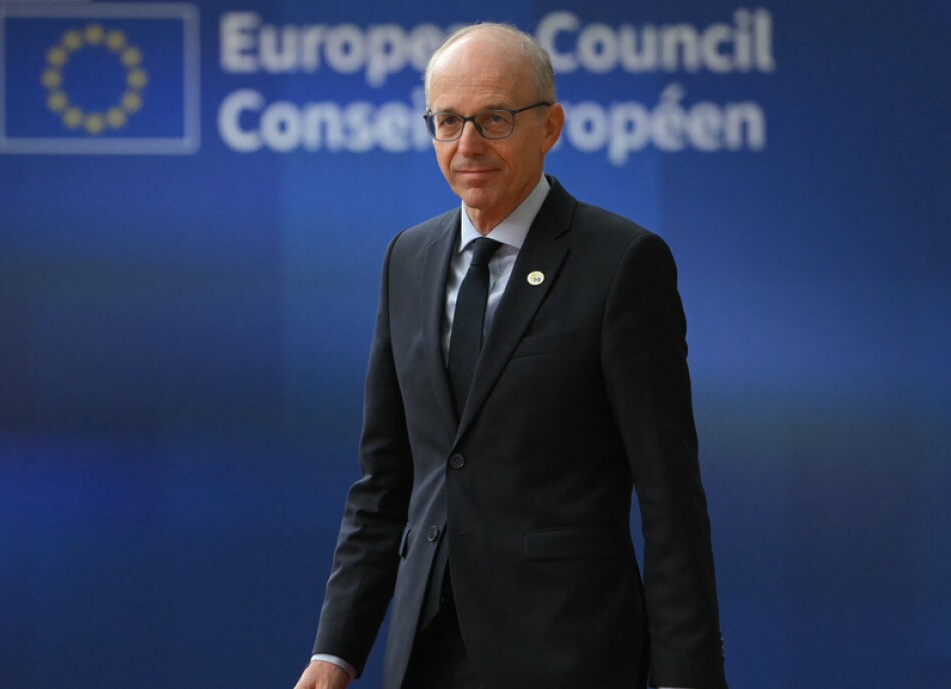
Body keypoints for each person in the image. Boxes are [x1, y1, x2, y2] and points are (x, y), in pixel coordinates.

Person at [293, 22, 727, 689]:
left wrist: (686, 678)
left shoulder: (622, 264)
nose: (467, 145)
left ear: (549, 126)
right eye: (447, 121)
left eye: (493, 119)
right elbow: (386, 483)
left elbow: (670, 499)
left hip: (570, 652)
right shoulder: (406, 258)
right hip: (426, 651)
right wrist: (336, 650)